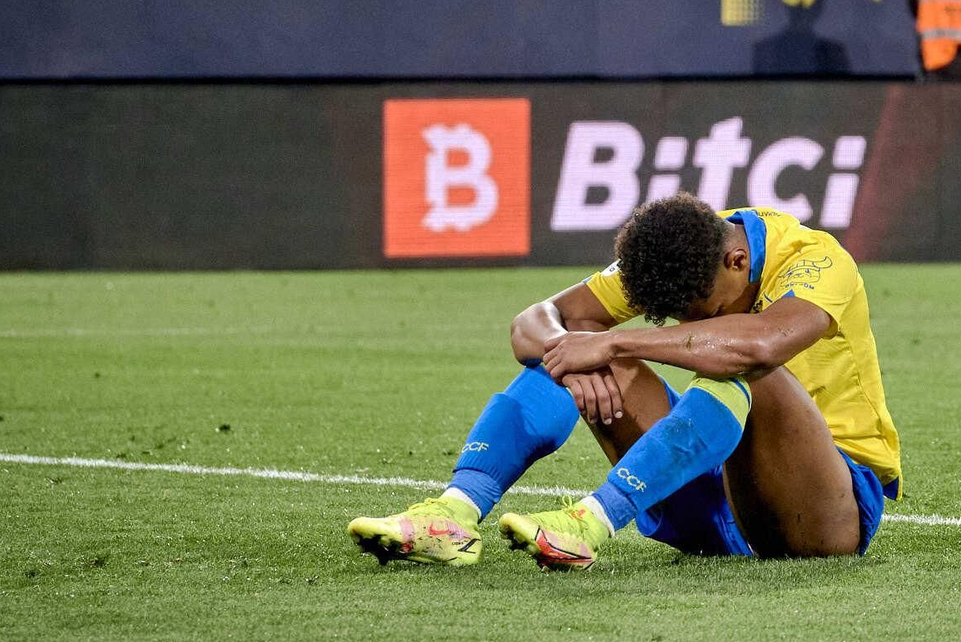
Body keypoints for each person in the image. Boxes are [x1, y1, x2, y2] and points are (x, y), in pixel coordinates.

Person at [347, 193, 901, 570]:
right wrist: (580, 355)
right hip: (709, 502)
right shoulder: (682, 251)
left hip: (825, 512)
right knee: (572, 346)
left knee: (741, 361)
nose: (690, 324)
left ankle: (592, 521)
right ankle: (454, 512)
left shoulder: (817, 259)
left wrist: (615, 342)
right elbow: (535, 322)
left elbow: (760, 344)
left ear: (738, 261)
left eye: (699, 310)